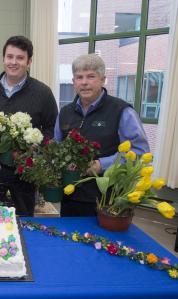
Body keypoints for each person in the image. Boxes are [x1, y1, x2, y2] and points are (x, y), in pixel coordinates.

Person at [55, 53, 150, 217]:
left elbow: (140, 151)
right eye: (79, 77)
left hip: (107, 201)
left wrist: (101, 165)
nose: (84, 82)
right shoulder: (65, 112)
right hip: (70, 197)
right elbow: (56, 146)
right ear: (73, 82)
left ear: (102, 79)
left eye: (91, 76)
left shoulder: (121, 111)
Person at [0, 35, 58, 216]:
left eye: (20, 58)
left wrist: (35, 149)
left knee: (23, 224)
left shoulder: (43, 93)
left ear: (29, 61)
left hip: (25, 177)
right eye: (9, 57)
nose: (13, 62)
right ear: (3, 59)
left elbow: (52, 129)